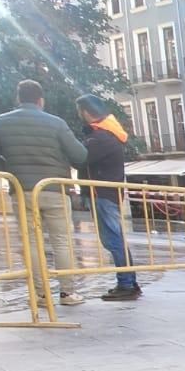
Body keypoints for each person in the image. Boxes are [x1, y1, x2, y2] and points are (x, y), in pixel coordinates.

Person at [0, 80, 88, 306]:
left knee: (30, 242)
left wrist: (8, 172)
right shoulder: (56, 123)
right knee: (61, 241)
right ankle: (68, 293)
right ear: (41, 100)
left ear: (18, 98)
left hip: (22, 191)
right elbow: (79, 155)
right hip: (55, 189)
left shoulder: (1, 122)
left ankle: (40, 295)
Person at [75, 94, 140, 301]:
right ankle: (128, 281)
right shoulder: (106, 133)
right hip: (105, 194)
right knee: (115, 239)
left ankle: (127, 283)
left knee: (113, 240)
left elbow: (79, 158)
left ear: (85, 111)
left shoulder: (101, 136)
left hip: (102, 194)